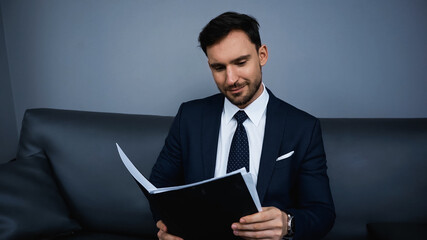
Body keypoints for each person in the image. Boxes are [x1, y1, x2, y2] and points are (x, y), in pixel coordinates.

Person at [149, 12, 335, 240]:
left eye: (240, 63)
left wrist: (288, 223)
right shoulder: (189, 117)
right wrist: (169, 226)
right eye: (219, 68)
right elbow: (158, 188)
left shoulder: (303, 128)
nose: (231, 79)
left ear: (262, 55)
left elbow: (322, 213)